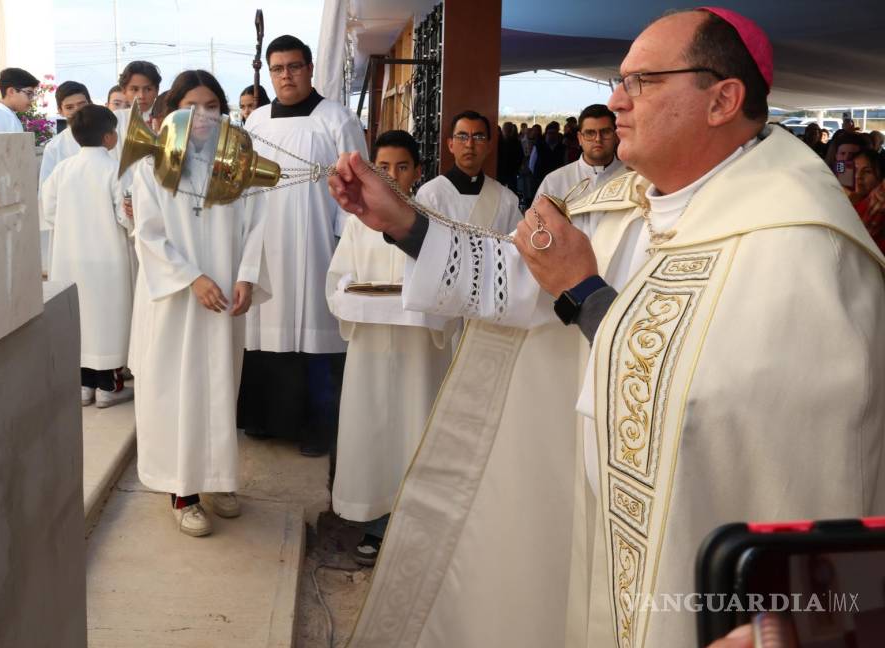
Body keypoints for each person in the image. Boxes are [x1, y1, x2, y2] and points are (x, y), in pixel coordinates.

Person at [329, 7, 885, 647]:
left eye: (641, 82)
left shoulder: (803, 243)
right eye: (619, 81)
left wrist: (585, 292)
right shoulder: (628, 203)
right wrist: (400, 219)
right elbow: (519, 273)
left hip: (697, 565)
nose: (615, 100)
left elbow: (713, 399)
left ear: (722, 99)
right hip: (606, 528)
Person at [129, 70, 265, 537]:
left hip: (224, 299)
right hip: (178, 304)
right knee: (178, 391)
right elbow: (147, 235)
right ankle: (182, 490)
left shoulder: (236, 165)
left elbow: (257, 224)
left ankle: (218, 480)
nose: (203, 115)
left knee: (220, 388)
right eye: (192, 105)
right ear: (171, 111)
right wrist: (192, 278)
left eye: (212, 106)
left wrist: (247, 274)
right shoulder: (151, 167)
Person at [235, 34, 368, 459]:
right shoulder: (255, 122)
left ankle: (319, 426)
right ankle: (264, 418)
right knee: (264, 326)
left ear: (310, 68)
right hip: (264, 239)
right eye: (277, 68)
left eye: (294, 66)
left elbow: (357, 184)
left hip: (317, 241)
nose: (286, 75)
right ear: (269, 73)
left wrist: (343, 242)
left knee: (315, 331)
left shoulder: (337, 118)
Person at [326, 130, 455, 566]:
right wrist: (352, 297)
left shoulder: (432, 219)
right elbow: (338, 279)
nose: (393, 175)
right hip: (373, 350)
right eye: (383, 167)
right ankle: (376, 521)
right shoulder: (357, 220)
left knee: (415, 429)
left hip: (421, 350)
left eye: (403, 167)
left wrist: (428, 307)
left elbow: (450, 281)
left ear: (419, 172)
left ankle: (418, 526)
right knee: (375, 429)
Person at [41, 105, 135, 409]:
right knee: (108, 317)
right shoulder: (115, 169)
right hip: (108, 259)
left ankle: (82, 386)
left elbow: (49, 211)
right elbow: (127, 216)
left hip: (69, 258)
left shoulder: (62, 169)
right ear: (109, 137)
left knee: (79, 319)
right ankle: (108, 386)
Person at [415, 110, 522, 235]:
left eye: (478, 137)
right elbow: (422, 249)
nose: (470, 144)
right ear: (450, 145)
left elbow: (518, 248)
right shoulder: (430, 195)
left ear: (489, 146)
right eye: (462, 137)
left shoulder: (506, 199)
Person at [537, 103, 624, 201]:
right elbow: (535, 216)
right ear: (579, 138)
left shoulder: (634, 178)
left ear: (617, 136)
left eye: (605, 132)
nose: (598, 139)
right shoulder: (554, 182)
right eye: (590, 133)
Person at [39, 82, 94, 188]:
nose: (77, 110)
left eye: (81, 104)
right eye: (69, 107)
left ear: (90, 104)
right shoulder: (54, 147)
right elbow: (45, 190)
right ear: (60, 111)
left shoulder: (109, 136)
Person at [0, 67, 39, 131]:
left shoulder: (9, 115)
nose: (32, 99)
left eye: (33, 95)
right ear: (11, 91)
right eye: (29, 93)